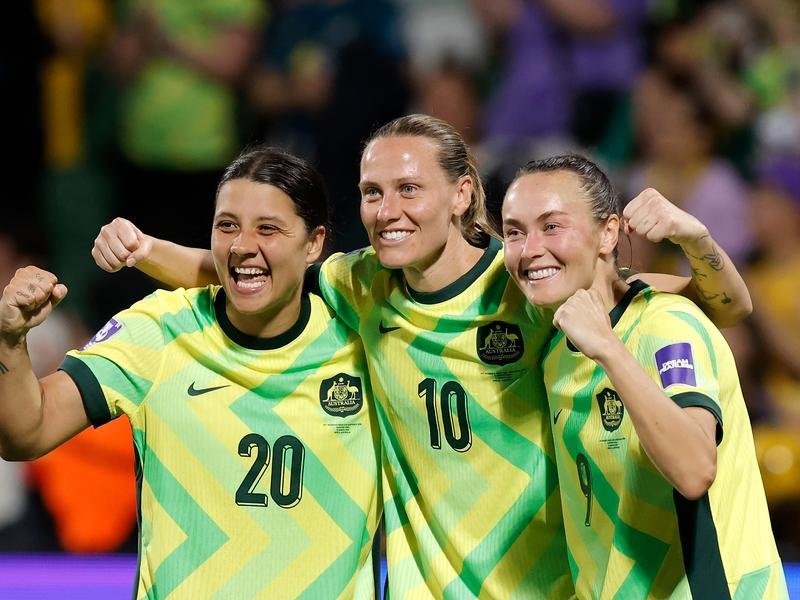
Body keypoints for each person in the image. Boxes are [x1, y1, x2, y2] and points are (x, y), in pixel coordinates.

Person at [92, 115, 752, 598]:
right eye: (372, 192)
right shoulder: (361, 284)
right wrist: (145, 249)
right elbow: (246, 268)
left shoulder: (524, 280)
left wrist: (696, 241)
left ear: (462, 195)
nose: (385, 210)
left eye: (408, 189)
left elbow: (693, 305)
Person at [0, 147, 380, 599]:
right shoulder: (159, 330)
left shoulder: (366, 339)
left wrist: (147, 249)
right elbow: (26, 433)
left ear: (314, 242)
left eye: (268, 229)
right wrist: (9, 340)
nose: (242, 246)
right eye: (227, 226)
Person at [501, 154, 787, 598]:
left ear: (609, 232)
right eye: (514, 232)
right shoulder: (556, 345)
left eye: (551, 226)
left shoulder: (665, 325)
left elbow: (694, 470)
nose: (530, 248)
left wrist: (611, 353)